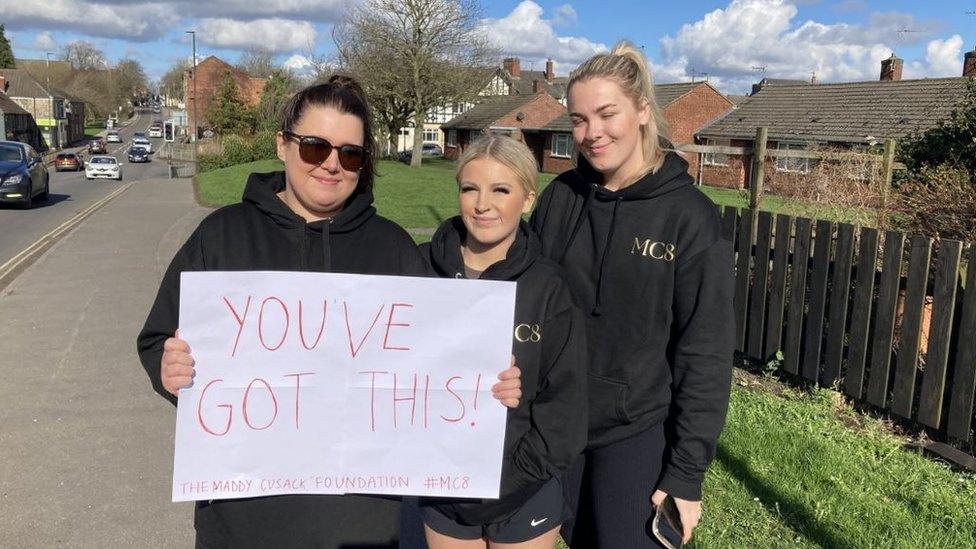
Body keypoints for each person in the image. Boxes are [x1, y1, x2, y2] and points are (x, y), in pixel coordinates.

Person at [136, 76, 523, 548]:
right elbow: (158, 338)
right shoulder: (221, 236)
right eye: (315, 147)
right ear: (283, 145)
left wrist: (486, 384)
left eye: (351, 153)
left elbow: (434, 367)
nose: (332, 165)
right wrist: (168, 368)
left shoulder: (392, 248)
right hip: (243, 515)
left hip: (358, 521)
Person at [529, 42, 735, 548]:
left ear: (642, 110)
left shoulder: (688, 217)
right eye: (578, 120)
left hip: (636, 430)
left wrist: (686, 473)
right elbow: (521, 286)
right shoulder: (562, 197)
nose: (591, 133)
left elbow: (704, 350)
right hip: (556, 422)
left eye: (606, 114)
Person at [414, 135, 588, 549]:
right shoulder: (418, 268)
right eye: (469, 188)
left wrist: (513, 476)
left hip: (523, 484)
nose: (482, 204)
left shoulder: (550, 286)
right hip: (445, 482)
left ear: (528, 199)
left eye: (501, 190)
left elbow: (565, 408)